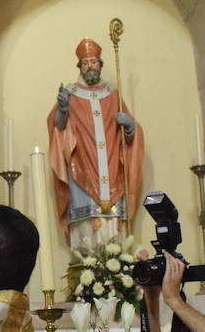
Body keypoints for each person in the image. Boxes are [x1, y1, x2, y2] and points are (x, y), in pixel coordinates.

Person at [46, 37, 145, 248]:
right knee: (86, 229)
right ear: (80, 66)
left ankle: (116, 262)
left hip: (111, 169)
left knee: (112, 232)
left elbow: (130, 139)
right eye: (85, 63)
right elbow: (58, 128)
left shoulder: (113, 94)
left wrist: (129, 126)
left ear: (100, 64)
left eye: (93, 61)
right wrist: (63, 109)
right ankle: (85, 263)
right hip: (81, 168)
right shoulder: (70, 93)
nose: (89, 66)